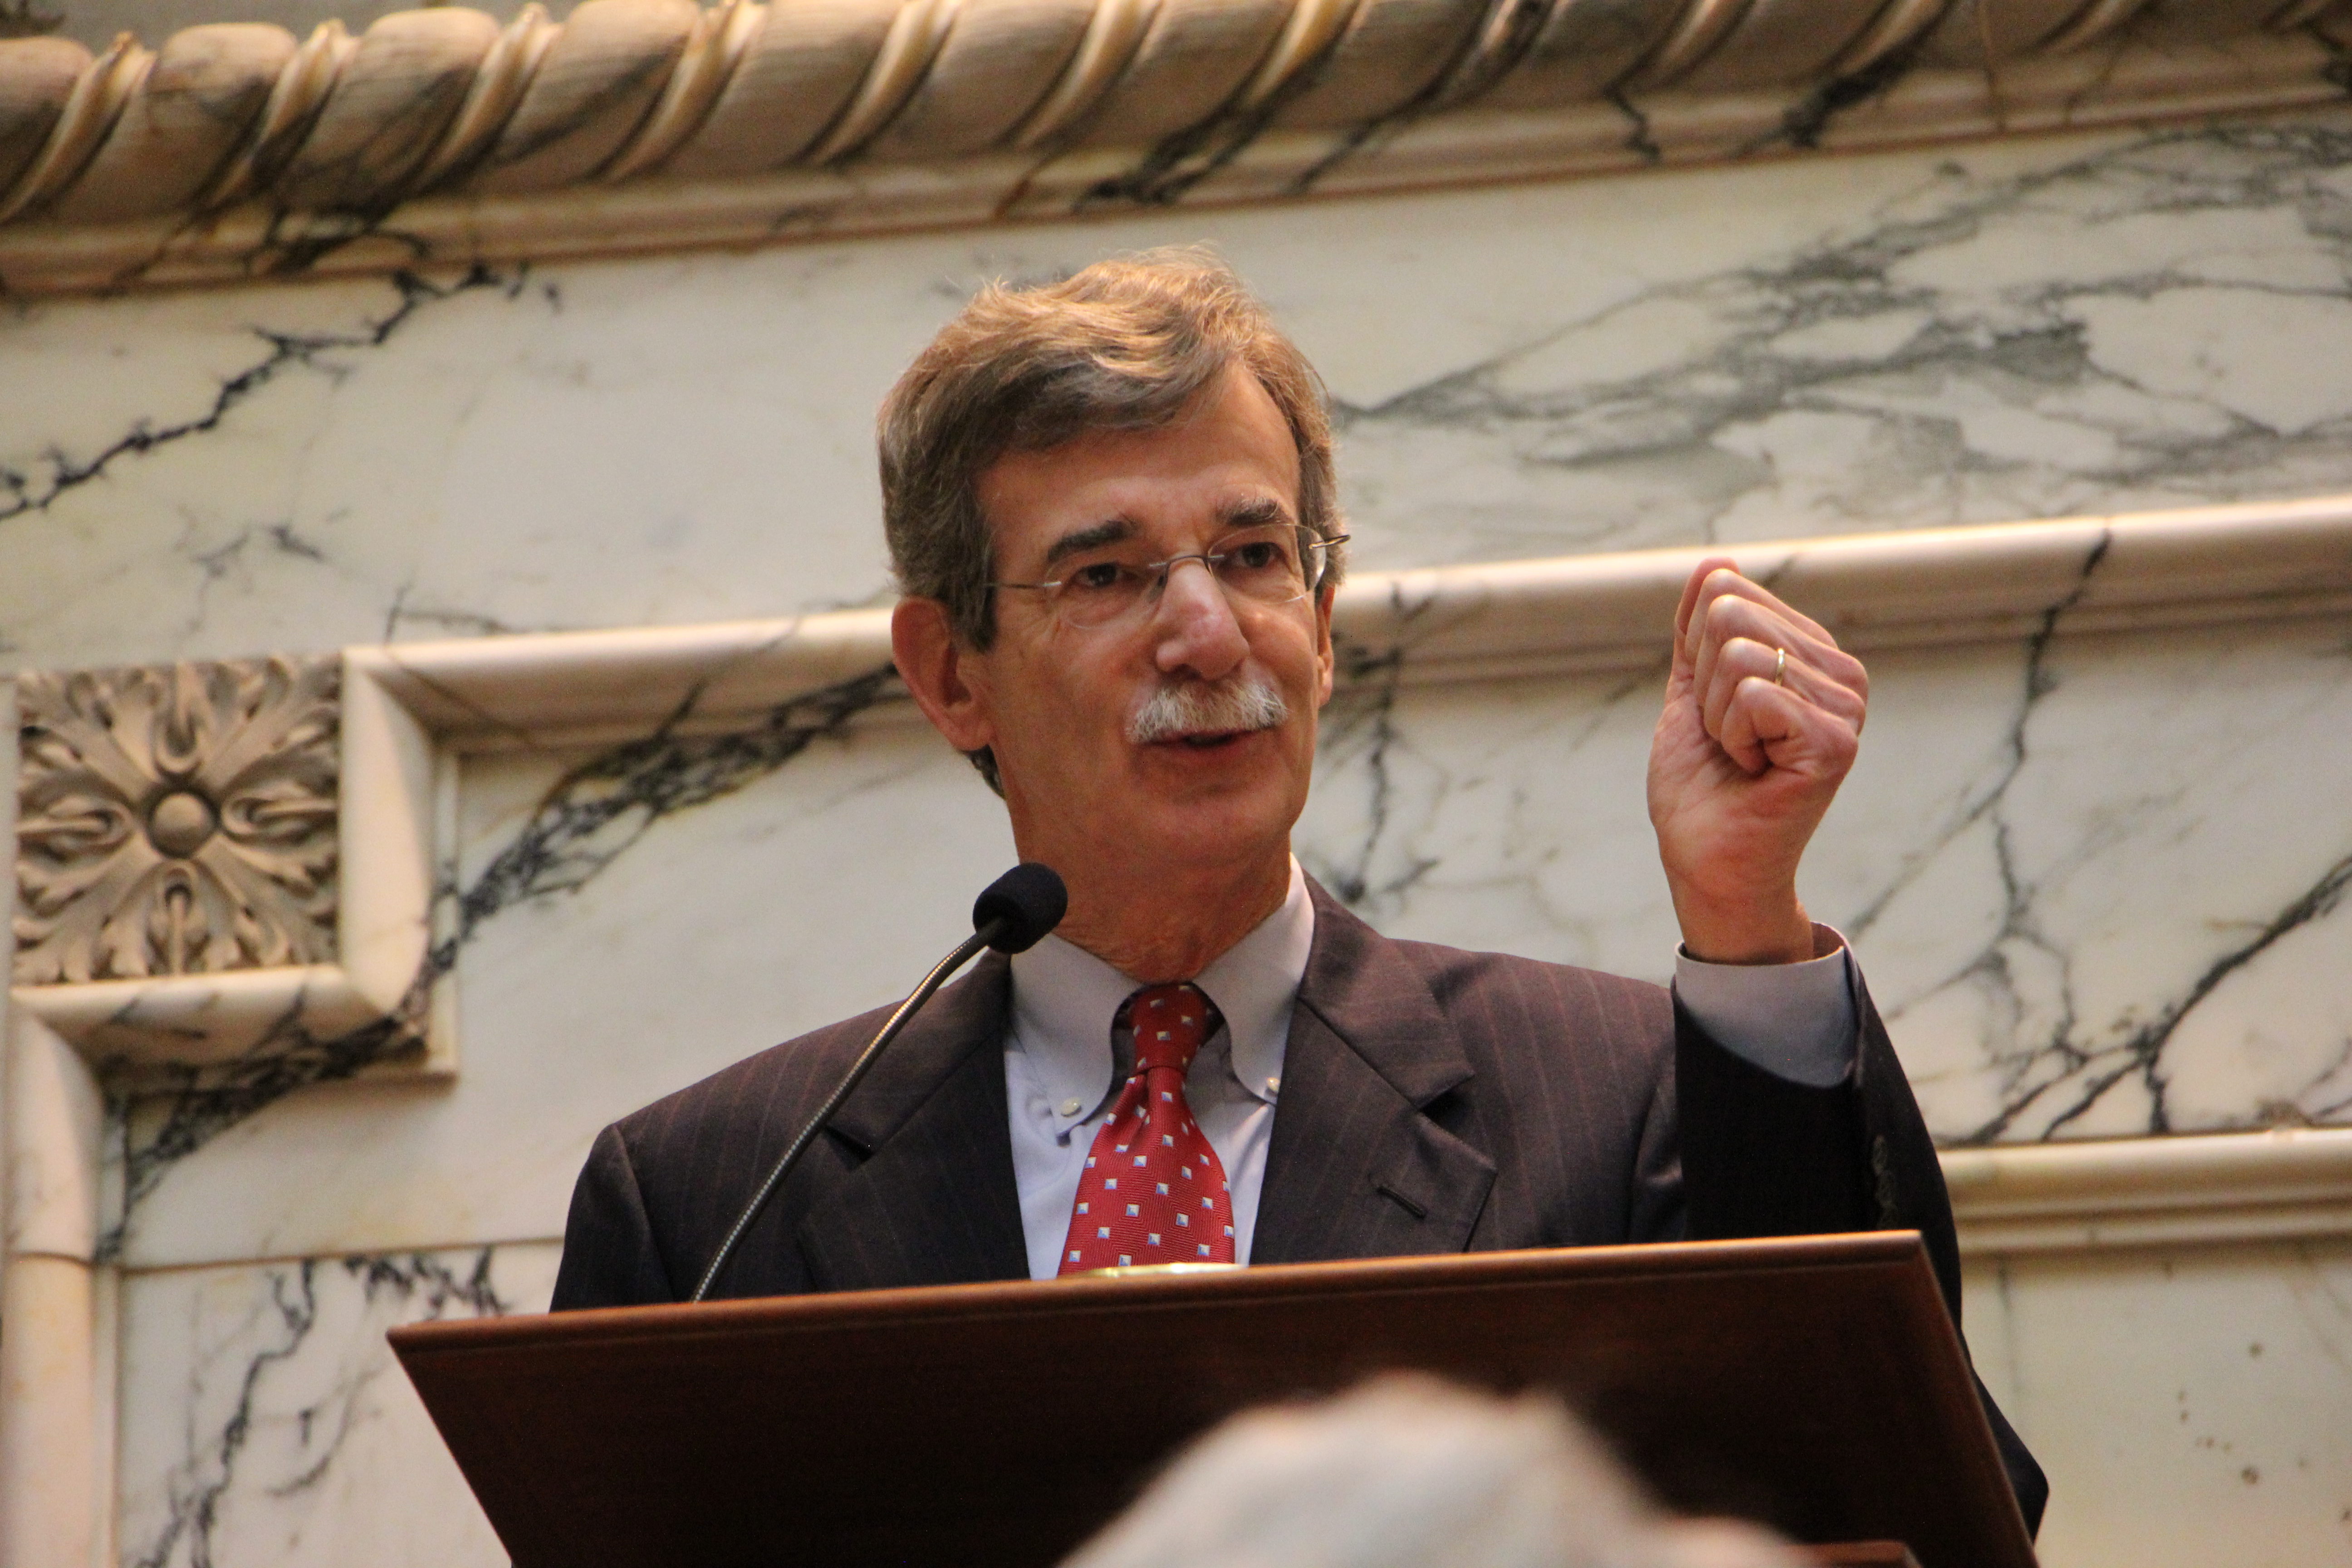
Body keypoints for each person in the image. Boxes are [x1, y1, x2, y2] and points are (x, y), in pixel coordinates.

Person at [549, 249, 2045, 1529]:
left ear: (1322, 625)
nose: (1209, 633)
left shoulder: (1624, 1098)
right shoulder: (711, 1206)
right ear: (952, 676)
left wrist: (1749, 925)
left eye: (1254, 554)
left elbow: (1901, 1512)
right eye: (1108, 574)